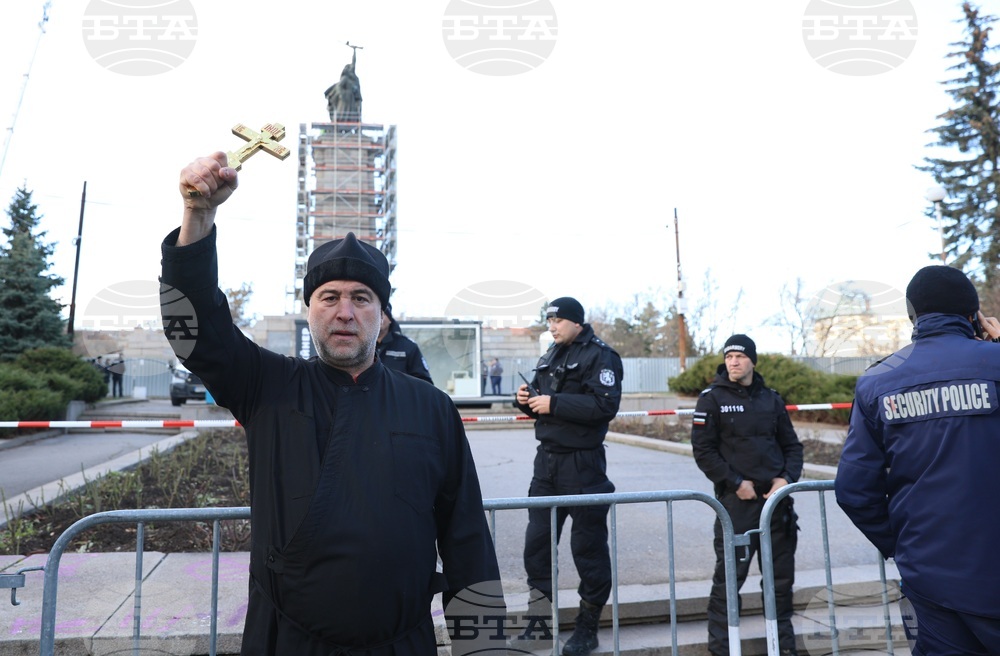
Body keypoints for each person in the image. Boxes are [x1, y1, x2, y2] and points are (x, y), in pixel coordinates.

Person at [162, 152, 501, 656]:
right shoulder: (267, 386)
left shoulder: (431, 408)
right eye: (330, 297)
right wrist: (198, 215)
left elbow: (468, 541)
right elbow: (194, 334)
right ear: (309, 310)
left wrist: (489, 649)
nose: (345, 312)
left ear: (382, 314)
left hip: (401, 644)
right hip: (288, 641)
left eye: (362, 298)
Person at [835, 265, 1000, 656]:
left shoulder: (878, 382)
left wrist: (903, 545)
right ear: (974, 315)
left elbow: (854, 490)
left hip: (930, 578)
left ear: (913, 317)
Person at [513, 297, 623, 656]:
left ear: (576, 322)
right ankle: (539, 626)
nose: (552, 326)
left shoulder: (600, 355)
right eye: (549, 321)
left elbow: (605, 406)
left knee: (587, 550)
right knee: (537, 548)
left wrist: (555, 403)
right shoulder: (552, 354)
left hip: (583, 465)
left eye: (558, 320)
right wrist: (525, 399)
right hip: (546, 466)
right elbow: (539, 401)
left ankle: (587, 628)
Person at [690, 334, 802, 656]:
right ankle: (722, 650)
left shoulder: (771, 399)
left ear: (753, 360)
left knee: (780, 586)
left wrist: (787, 479)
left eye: (740, 356)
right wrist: (736, 482)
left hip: (776, 506)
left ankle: (784, 650)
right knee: (728, 584)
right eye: (729, 357)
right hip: (736, 506)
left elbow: (792, 447)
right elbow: (704, 450)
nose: (733, 362)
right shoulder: (711, 398)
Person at [376, 302, 433, 384]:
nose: (379, 318)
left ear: (390, 319)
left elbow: (424, 382)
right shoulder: (362, 345)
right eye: (377, 314)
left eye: (383, 314)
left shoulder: (407, 346)